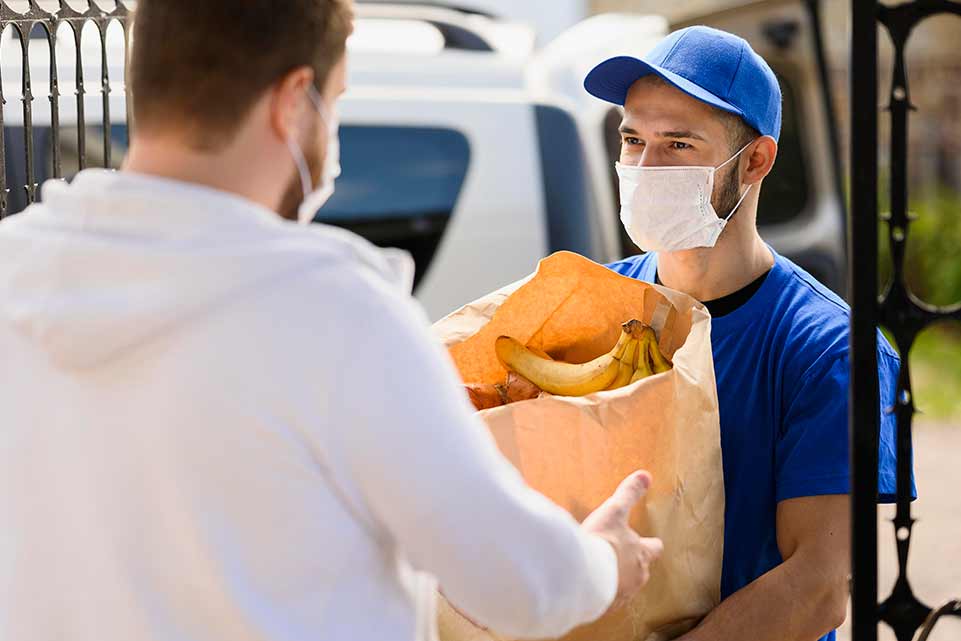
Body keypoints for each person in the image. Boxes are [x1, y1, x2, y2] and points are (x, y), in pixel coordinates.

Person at [0, 2, 663, 640]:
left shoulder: (13, 272)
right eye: (337, 100)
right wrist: (604, 558)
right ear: (294, 102)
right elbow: (521, 585)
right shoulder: (333, 311)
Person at [584, 25, 913, 641]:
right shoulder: (592, 304)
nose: (644, 166)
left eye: (678, 144)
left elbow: (818, 584)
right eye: (633, 139)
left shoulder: (829, 350)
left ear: (756, 160)